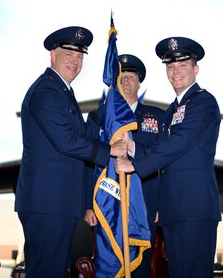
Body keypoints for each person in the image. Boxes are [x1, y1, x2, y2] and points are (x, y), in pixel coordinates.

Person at [14, 26, 127, 278]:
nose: (75, 62)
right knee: (47, 271)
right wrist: (109, 150)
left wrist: (106, 111)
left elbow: (81, 135)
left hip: (56, 202)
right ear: (53, 55)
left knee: (54, 270)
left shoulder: (62, 91)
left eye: (80, 56)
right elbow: (67, 141)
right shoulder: (47, 90)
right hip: (47, 202)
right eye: (69, 55)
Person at [115, 37, 221, 278]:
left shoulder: (203, 102)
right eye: (171, 67)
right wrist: (132, 146)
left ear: (196, 69)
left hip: (194, 208)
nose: (176, 72)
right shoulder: (173, 110)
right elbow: (163, 149)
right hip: (173, 210)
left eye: (183, 66)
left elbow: (177, 143)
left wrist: (134, 165)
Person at [84, 54, 165, 278]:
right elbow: (86, 163)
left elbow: (165, 160)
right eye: (121, 76)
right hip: (105, 204)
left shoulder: (156, 117)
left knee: (140, 267)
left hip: (147, 203)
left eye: (131, 76)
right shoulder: (97, 118)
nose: (126, 80)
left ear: (140, 82)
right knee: (108, 264)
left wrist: (162, 204)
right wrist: (87, 205)